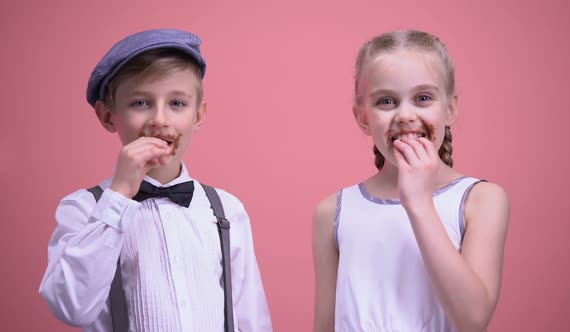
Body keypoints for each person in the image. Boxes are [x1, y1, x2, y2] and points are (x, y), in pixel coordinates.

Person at [39, 28, 272, 332]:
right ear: (108, 116)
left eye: (177, 104)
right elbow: (71, 307)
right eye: (140, 103)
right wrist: (119, 195)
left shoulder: (227, 210)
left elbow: (251, 318)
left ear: (198, 116)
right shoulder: (83, 209)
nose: (160, 120)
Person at [312, 30, 510, 332]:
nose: (405, 115)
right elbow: (325, 325)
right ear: (363, 118)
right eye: (387, 101)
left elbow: (473, 318)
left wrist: (418, 202)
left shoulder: (481, 199)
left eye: (423, 98)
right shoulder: (332, 213)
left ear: (450, 109)